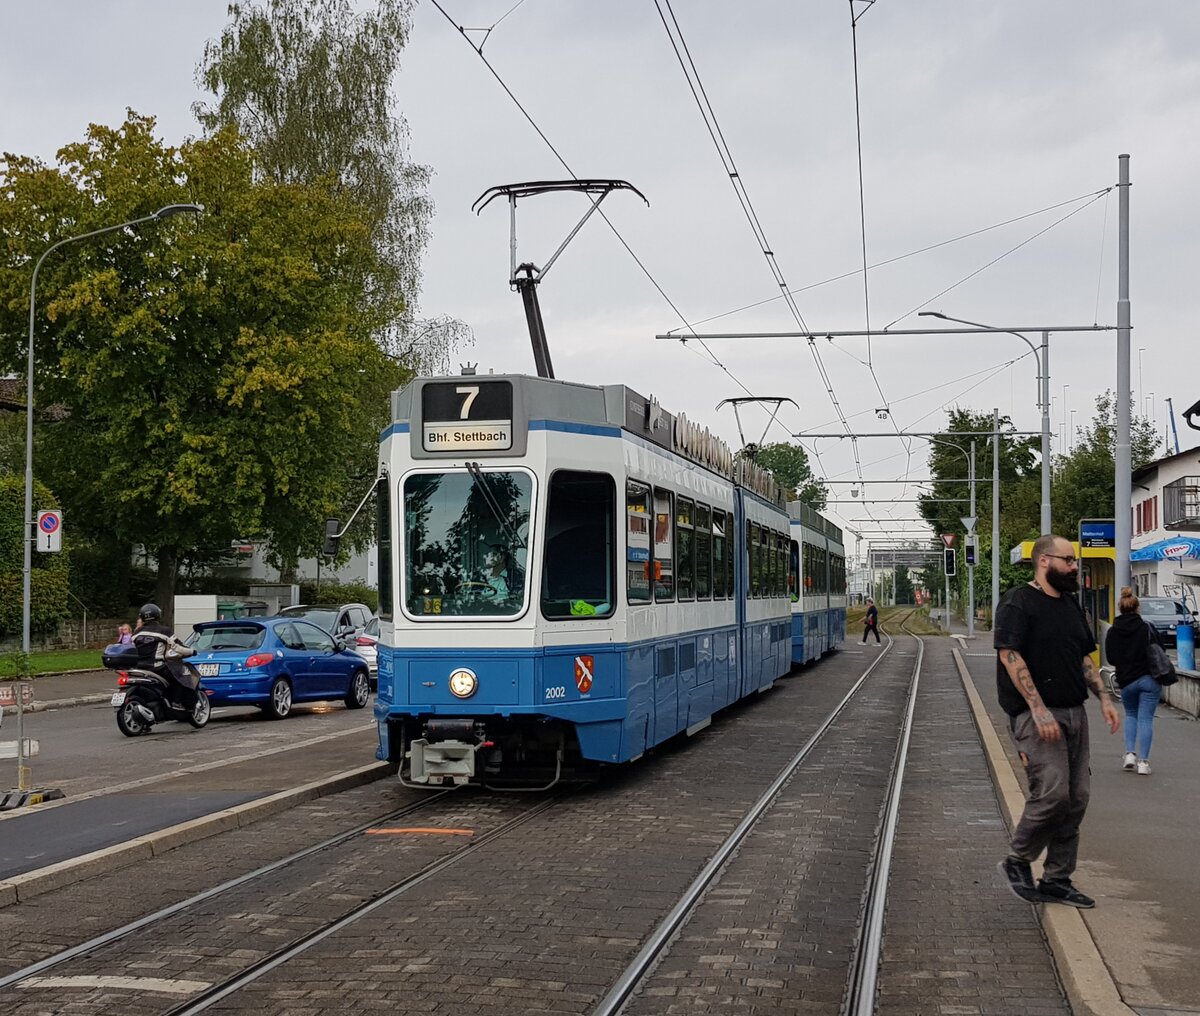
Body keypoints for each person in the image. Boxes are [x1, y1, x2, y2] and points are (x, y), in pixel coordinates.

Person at [994, 534, 1120, 909]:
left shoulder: (1070, 605)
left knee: (1076, 798)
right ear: (1044, 561)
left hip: (1073, 711)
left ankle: (1057, 879)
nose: (1074, 567)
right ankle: (1017, 859)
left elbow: (1083, 658)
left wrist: (1104, 698)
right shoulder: (1018, 602)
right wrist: (1037, 708)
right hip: (1036, 716)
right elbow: (1010, 655)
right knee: (1053, 792)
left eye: (1074, 561)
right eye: (1068, 560)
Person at [1104, 586, 1162, 776]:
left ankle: (1129, 754)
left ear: (1120, 608)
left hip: (1126, 680)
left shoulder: (1113, 631)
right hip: (1148, 679)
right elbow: (1159, 650)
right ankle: (1143, 763)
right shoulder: (1146, 628)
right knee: (1146, 719)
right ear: (1137, 608)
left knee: (1130, 714)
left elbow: (1111, 658)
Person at [132, 603, 199, 710]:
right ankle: (176, 702)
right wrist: (192, 651)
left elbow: (131, 646)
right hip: (157, 667)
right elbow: (178, 647)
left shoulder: (137, 632)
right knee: (180, 675)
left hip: (138, 667)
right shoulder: (164, 631)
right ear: (158, 615)